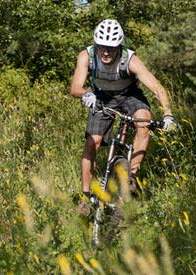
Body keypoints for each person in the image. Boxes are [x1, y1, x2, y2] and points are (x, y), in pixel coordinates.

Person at [70, 19, 176, 212]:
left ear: (119, 46)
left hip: (129, 95)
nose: (106, 52)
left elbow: (157, 88)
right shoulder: (87, 56)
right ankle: (85, 198)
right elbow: (75, 87)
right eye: (102, 47)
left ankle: (132, 178)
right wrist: (86, 94)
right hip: (101, 96)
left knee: (143, 119)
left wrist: (168, 114)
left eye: (111, 48)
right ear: (96, 44)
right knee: (92, 142)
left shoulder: (130, 59)